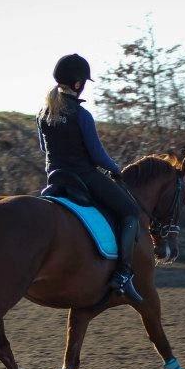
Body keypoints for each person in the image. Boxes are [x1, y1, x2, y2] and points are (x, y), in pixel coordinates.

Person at [37, 53, 143, 303]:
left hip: (55, 178)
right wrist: (116, 169)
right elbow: (97, 155)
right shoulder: (81, 114)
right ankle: (124, 274)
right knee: (130, 212)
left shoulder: (43, 112)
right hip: (84, 176)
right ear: (78, 84)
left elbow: (44, 148)